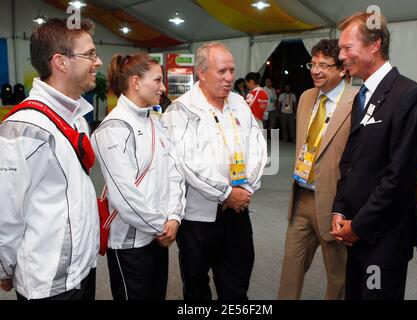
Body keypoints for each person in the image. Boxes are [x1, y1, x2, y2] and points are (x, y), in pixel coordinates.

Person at [331, 12, 417, 300]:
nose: (341, 56)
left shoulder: (410, 96)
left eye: (347, 48)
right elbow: (351, 160)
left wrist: (359, 226)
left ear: (374, 45)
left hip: (384, 237)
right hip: (355, 231)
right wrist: (340, 210)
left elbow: (400, 177)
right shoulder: (363, 95)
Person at [0, 18, 101, 300]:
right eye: (90, 54)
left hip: (82, 270)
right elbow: (6, 211)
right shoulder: (23, 128)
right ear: (60, 62)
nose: (98, 62)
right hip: (48, 284)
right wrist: (4, 269)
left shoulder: (77, 117)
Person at [162, 42, 267, 300]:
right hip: (198, 218)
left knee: (237, 283)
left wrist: (244, 188)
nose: (229, 78)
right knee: (196, 286)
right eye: (222, 71)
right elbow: (187, 162)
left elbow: (258, 146)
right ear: (202, 72)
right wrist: (226, 193)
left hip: (238, 211)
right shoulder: (181, 110)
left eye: (232, 70)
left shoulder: (240, 104)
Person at [91, 53, 186, 300]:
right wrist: (161, 227)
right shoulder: (112, 128)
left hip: (159, 236)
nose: (163, 88)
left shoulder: (155, 120)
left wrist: (174, 216)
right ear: (135, 82)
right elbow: (125, 195)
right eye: (157, 80)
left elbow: (174, 172)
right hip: (130, 246)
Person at [278, 39, 357, 300]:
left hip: (335, 204)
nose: (316, 70)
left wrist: (348, 208)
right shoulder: (306, 97)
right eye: (313, 63)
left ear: (343, 69)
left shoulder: (357, 102)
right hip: (300, 196)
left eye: (324, 65)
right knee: (290, 269)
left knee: (338, 277)